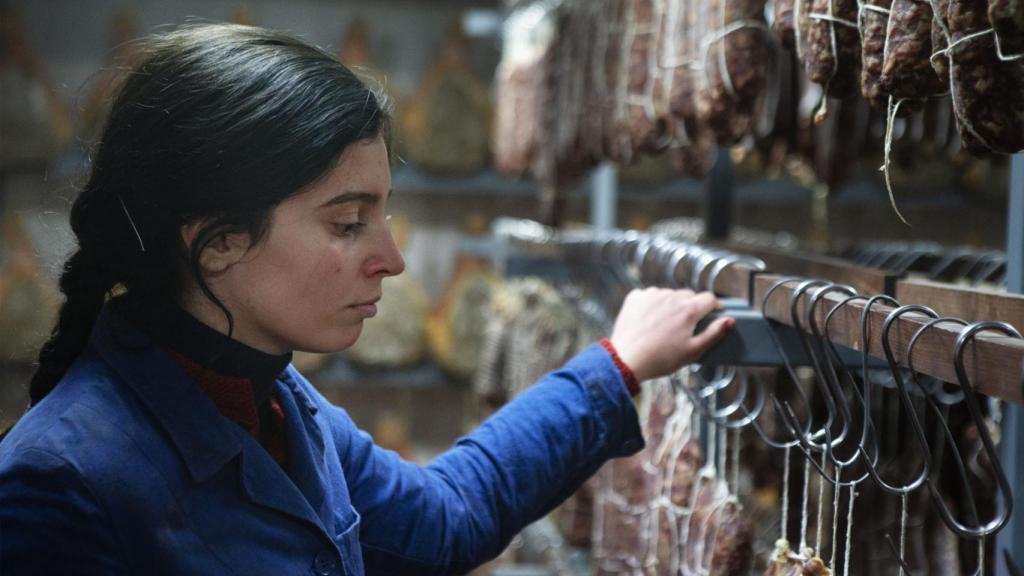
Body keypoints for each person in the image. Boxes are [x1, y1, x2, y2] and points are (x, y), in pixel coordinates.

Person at [0, 24, 734, 575]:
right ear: (217, 240)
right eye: (349, 223)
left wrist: (618, 365)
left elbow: (444, 517)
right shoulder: (61, 486)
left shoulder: (279, 402)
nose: (390, 258)